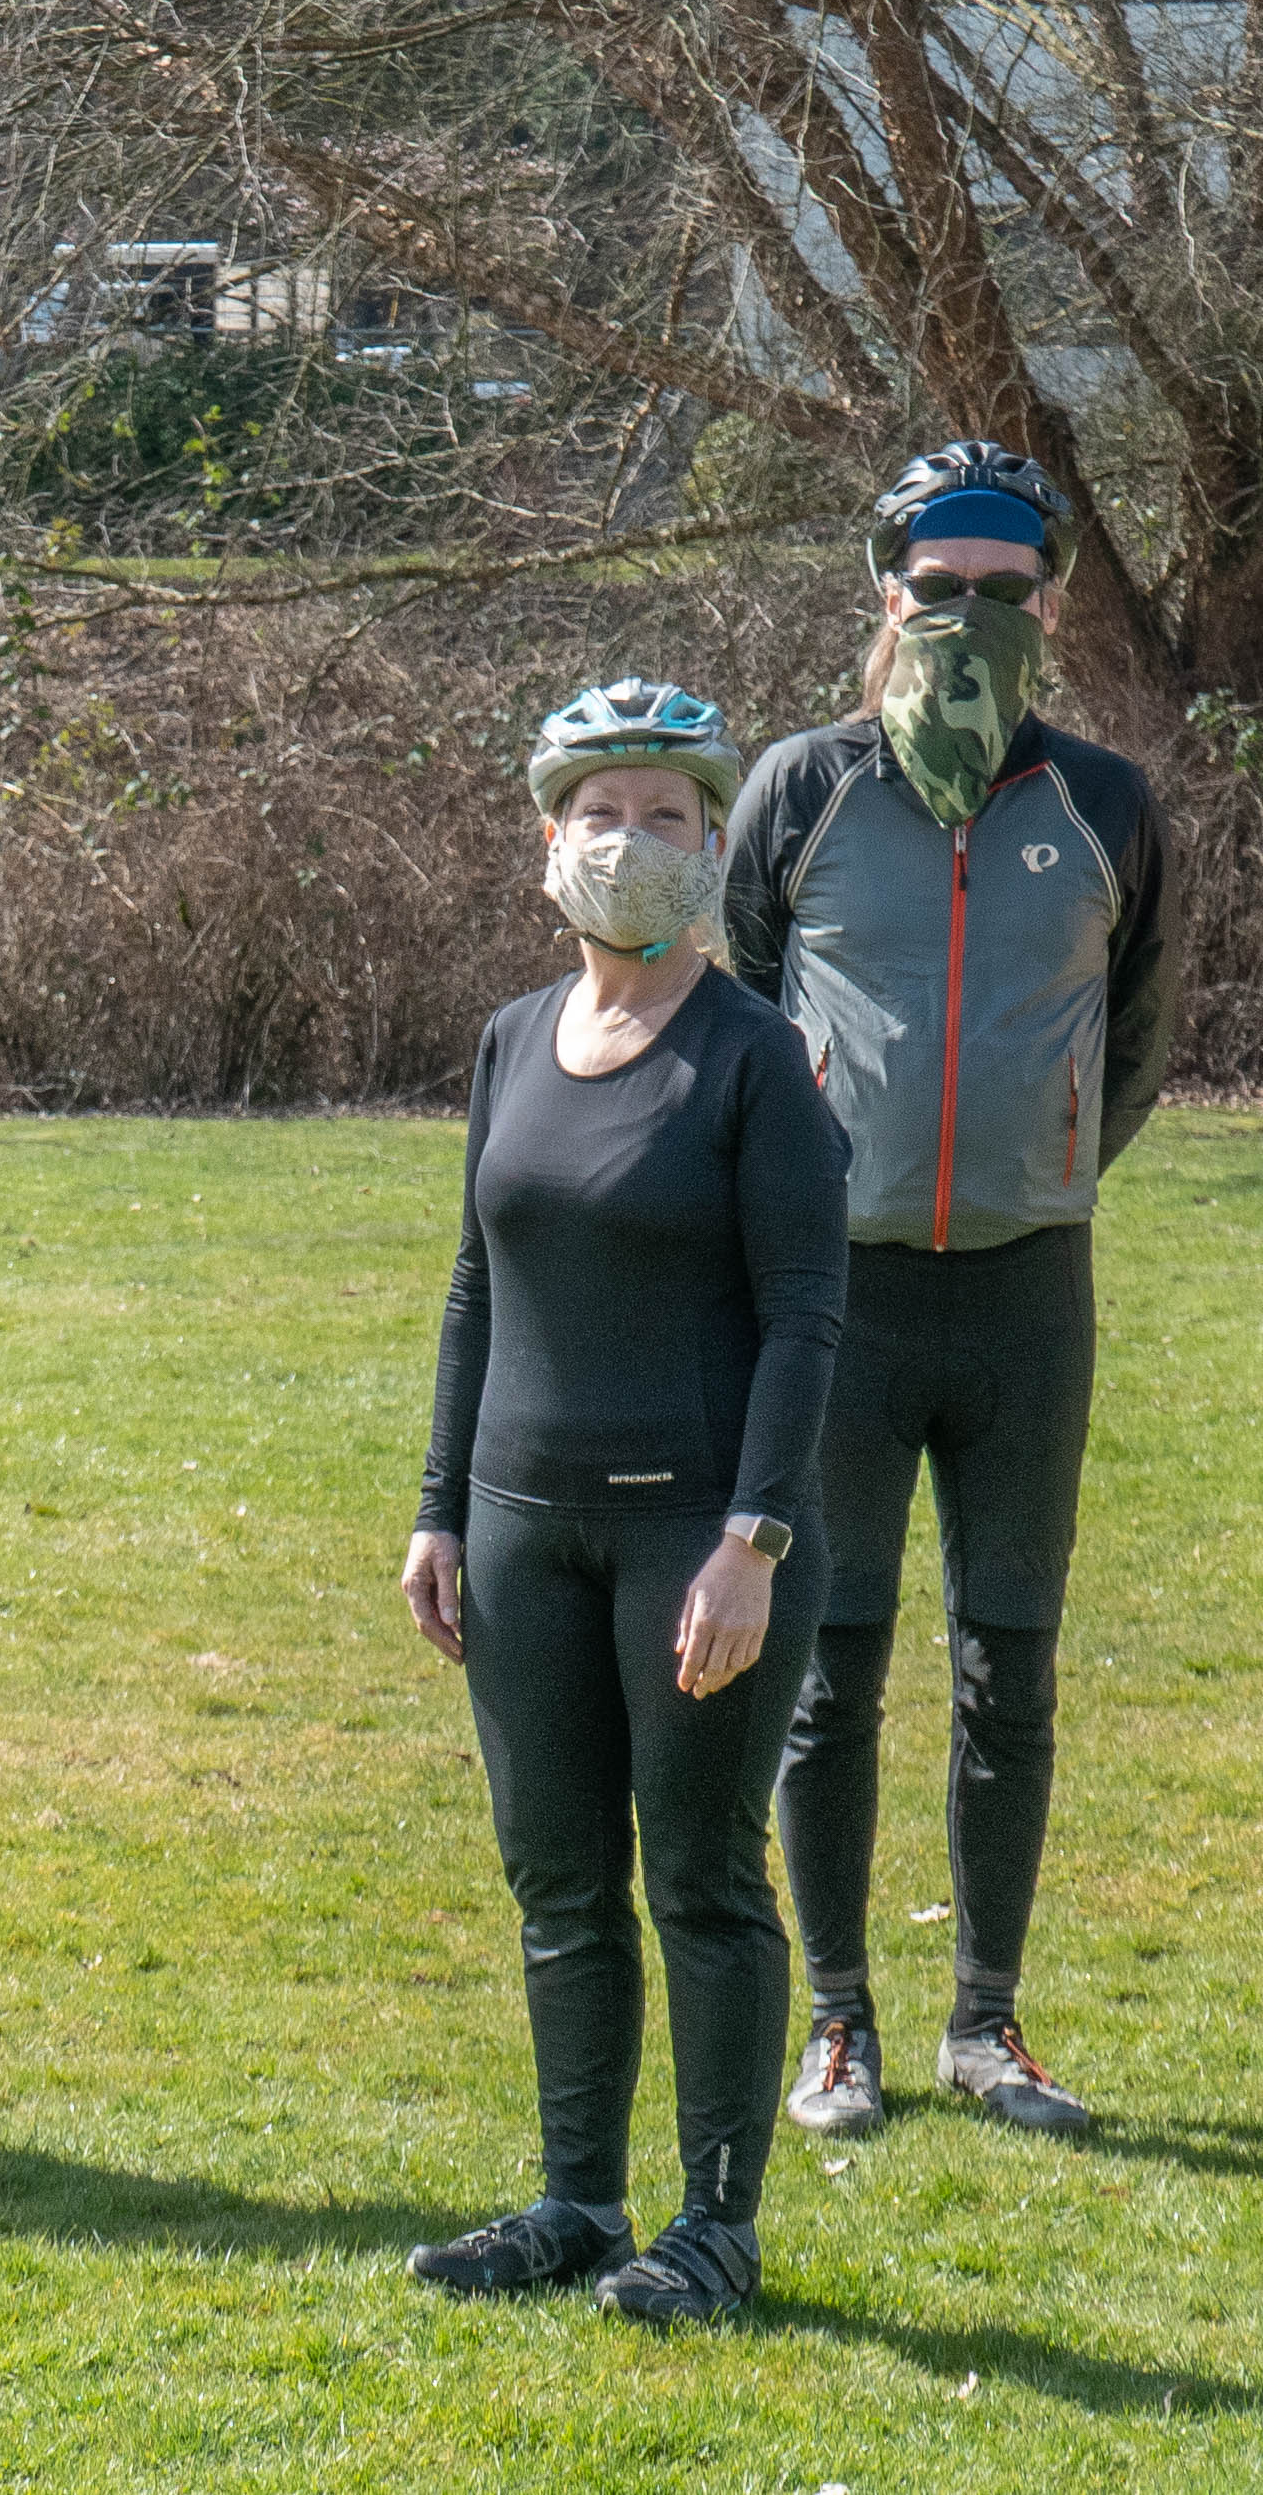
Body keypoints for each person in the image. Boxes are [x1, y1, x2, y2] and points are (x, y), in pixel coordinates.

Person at [719, 440, 1172, 2142]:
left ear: (1048, 599)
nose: (970, 613)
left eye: (1005, 587)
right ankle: (838, 2023)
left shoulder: (1104, 801)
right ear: (885, 589)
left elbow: (1139, 1033)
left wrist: (1043, 1166)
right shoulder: (799, 788)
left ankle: (989, 2025)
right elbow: (751, 1031)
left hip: (1026, 1302)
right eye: (939, 585)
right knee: (830, 1666)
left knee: (1012, 1662)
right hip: (839, 1305)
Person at [401, 679, 847, 2326]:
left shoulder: (756, 1059)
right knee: (561, 1883)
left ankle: (714, 2226)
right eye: (604, 812)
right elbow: (475, 1284)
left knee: (706, 1883)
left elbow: (808, 1312)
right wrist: (442, 1506)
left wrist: (755, 1538)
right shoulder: (513, 1040)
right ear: (550, 839)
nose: (633, 841)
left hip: (701, 1539)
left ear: (714, 842)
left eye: (669, 816)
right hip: (524, 1534)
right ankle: (580, 2199)